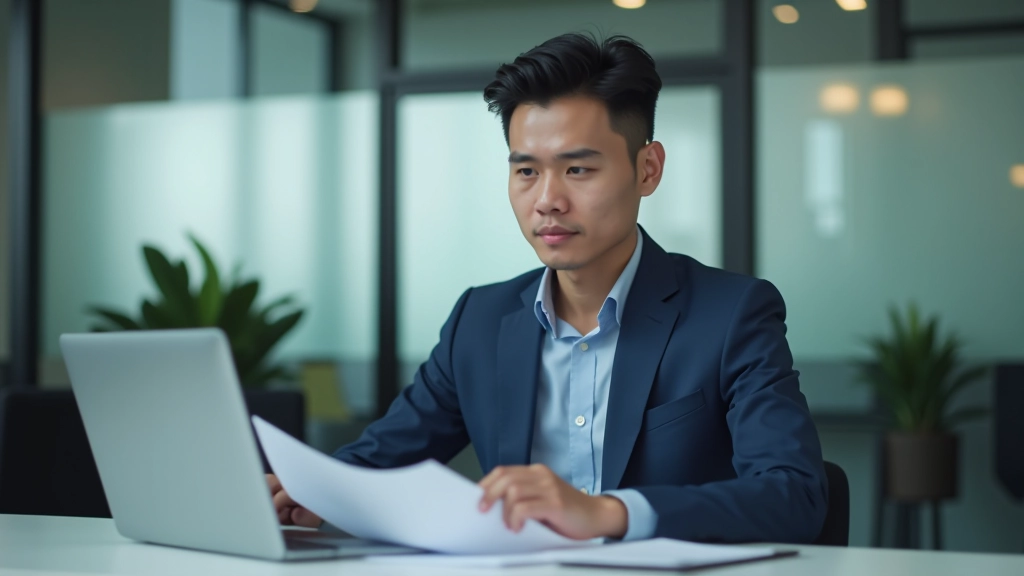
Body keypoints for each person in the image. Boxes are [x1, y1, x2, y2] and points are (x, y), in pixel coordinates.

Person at [268, 33, 827, 543]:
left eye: (578, 170)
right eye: (527, 171)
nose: (547, 201)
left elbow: (794, 494)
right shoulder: (479, 321)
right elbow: (380, 459)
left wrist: (611, 513)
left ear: (648, 170)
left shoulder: (730, 314)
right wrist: (308, 490)